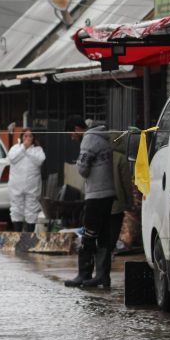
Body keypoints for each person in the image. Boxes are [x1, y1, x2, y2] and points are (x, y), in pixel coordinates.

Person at [64, 116, 115, 288]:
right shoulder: (102, 137)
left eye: (71, 133)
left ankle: (84, 274)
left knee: (89, 234)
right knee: (103, 236)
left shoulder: (88, 140)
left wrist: (78, 161)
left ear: (78, 129)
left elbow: (83, 169)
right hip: (108, 193)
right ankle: (102, 276)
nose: (71, 137)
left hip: (97, 194)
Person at [7, 128, 46, 232]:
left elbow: (40, 160)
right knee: (16, 209)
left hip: (32, 186)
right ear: (21, 137)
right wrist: (23, 148)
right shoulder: (15, 148)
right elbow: (11, 158)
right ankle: (17, 234)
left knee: (32, 210)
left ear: (33, 138)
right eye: (25, 136)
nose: (28, 138)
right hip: (16, 186)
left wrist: (27, 150)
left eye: (30, 136)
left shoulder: (38, 150)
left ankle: (29, 236)